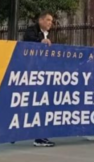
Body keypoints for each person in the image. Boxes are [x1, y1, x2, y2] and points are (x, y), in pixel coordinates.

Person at [22, 11, 57, 147]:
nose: (50, 23)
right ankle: (38, 137)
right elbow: (28, 40)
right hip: (33, 74)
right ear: (40, 20)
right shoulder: (31, 31)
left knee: (42, 106)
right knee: (36, 106)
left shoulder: (49, 34)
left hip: (44, 74)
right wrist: (40, 41)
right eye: (48, 20)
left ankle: (41, 136)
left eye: (51, 21)